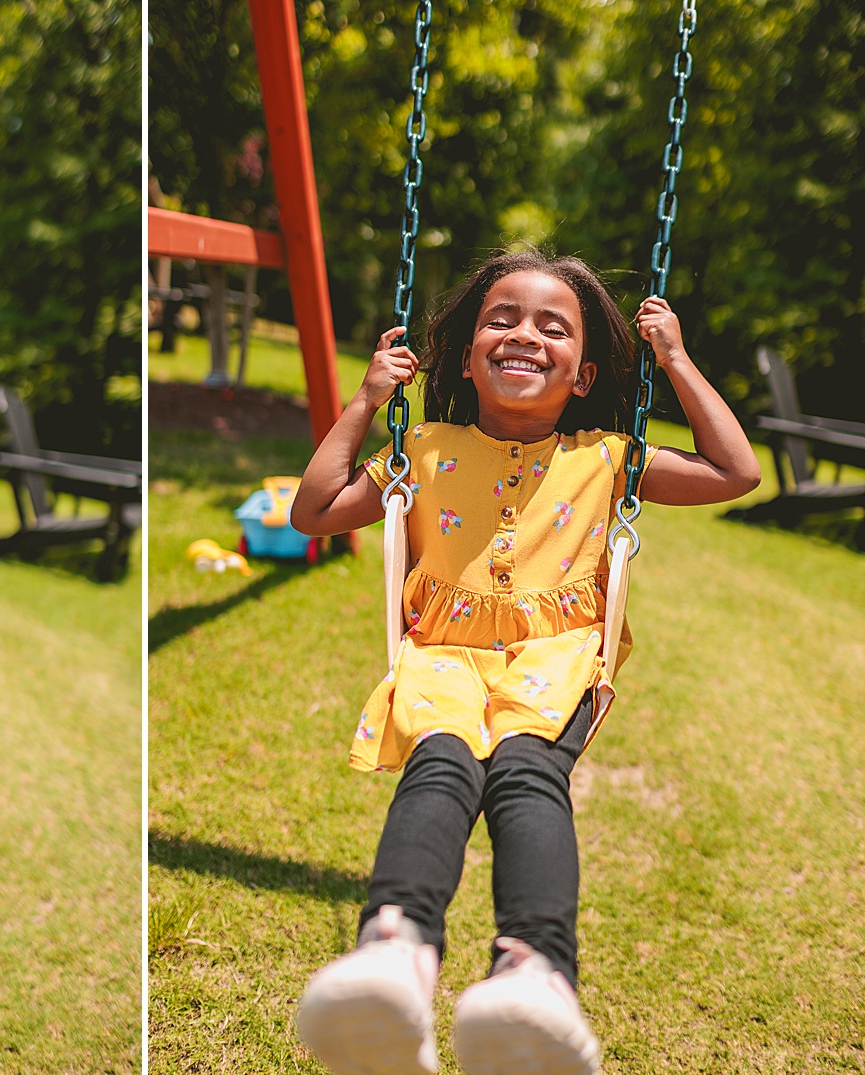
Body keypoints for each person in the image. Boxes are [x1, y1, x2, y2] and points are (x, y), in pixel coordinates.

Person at [288, 249, 760, 1075]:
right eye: (500, 319)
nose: (524, 336)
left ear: (583, 373)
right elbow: (314, 509)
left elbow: (735, 470)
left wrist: (675, 360)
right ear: (466, 358)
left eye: (553, 326)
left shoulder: (608, 460)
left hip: (559, 657)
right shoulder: (424, 447)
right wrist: (367, 400)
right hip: (443, 653)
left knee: (524, 771)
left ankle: (536, 971)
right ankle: (395, 950)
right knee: (437, 767)